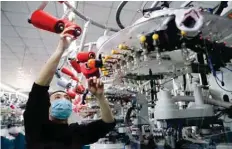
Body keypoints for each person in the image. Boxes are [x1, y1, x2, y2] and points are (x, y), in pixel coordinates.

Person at [23, 25, 115, 149]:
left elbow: (108, 123)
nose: (64, 100)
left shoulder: (76, 132)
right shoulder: (37, 128)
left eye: (67, 98)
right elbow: (39, 88)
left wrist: (100, 97)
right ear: (48, 107)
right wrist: (60, 50)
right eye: (57, 97)